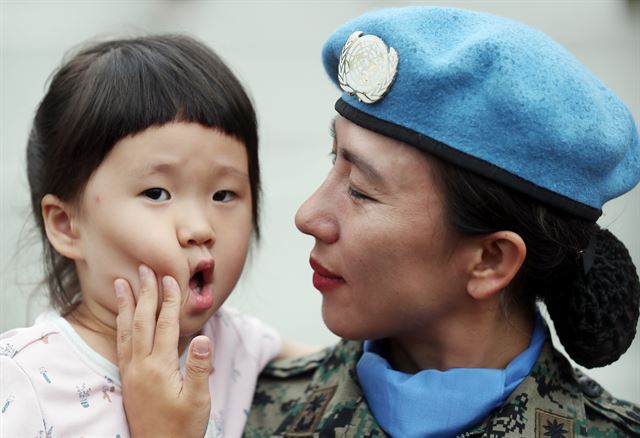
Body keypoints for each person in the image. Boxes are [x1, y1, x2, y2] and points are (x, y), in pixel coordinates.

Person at [116, 6, 640, 438]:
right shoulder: (232, 410)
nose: (308, 216)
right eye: (333, 160)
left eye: (362, 191)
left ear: (489, 260)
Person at [0, 34, 290, 438]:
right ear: (67, 226)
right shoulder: (22, 381)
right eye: (157, 194)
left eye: (224, 195)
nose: (200, 228)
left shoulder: (233, 342)